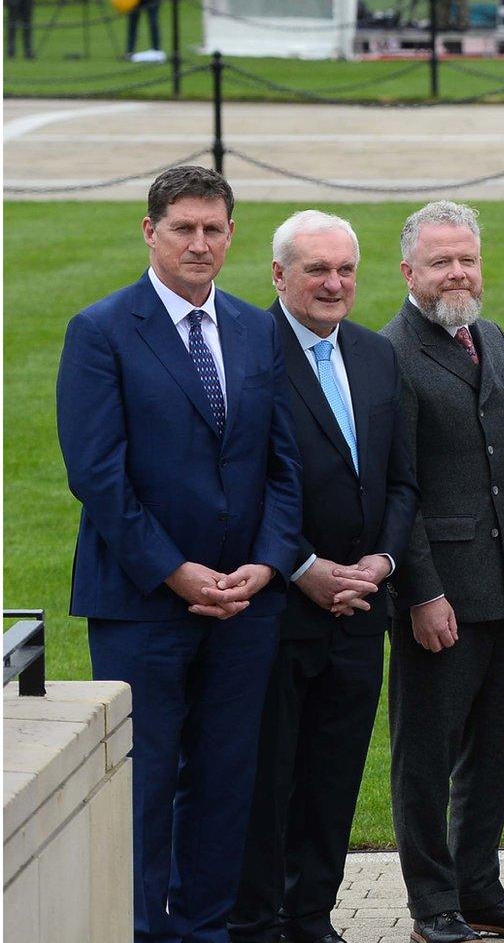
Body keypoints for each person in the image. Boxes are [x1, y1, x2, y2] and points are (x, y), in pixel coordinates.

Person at [58, 165, 302, 943]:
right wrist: (175, 570)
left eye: (214, 229)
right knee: (144, 780)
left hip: (245, 603)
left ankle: (204, 927)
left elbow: (282, 464)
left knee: (226, 780)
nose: (200, 243)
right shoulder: (100, 330)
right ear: (149, 232)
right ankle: (136, 928)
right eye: (184, 228)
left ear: (232, 235)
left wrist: (266, 564)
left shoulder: (257, 327)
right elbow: (97, 474)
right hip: (142, 603)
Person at [231, 211, 418, 943]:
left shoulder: (376, 355)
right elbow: (240, 482)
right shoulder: (247, 353)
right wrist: (302, 566)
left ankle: (313, 916)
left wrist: (383, 561)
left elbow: (402, 481)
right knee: (267, 780)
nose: (334, 283)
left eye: (344, 269)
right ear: (279, 275)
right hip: (279, 608)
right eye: (316, 269)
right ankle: (259, 921)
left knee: (334, 779)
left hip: (359, 612)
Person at [383, 201, 504, 943]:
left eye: (467, 259)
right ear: (409, 272)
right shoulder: (389, 353)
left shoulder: (488, 336)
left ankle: (479, 888)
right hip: (439, 595)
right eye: (441, 261)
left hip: (502, 588)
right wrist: (422, 592)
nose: (457, 273)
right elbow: (400, 488)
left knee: (493, 754)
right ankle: (433, 903)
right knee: (426, 755)